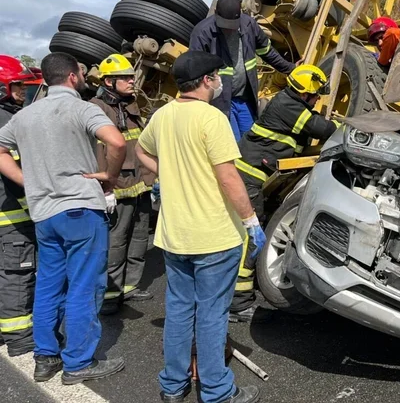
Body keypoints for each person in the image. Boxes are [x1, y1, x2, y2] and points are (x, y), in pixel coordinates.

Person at [135, 50, 263, 403]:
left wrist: (167, 174)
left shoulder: (162, 116)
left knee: (178, 311)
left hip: (175, 236)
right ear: (207, 81)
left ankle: (173, 386)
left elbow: (141, 153)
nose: (221, 82)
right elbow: (228, 177)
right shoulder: (212, 118)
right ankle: (217, 391)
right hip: (214, 236)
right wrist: (250, 219)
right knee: (211, 315)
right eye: (218, 76)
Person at [0, 52, 126, 384]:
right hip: (81, 209)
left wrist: (27, 180)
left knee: (48, 284)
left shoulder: (25, 116)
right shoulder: (82, 108)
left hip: (44, 214)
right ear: (72, 76)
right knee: (85, 285)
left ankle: (45, 357)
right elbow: (115, 142)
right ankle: (79, 362)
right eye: (82, 73)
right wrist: (109, 177)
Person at [232, 64, 338, 323]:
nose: (317, 100)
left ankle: (237, 293)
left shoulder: (290, 103)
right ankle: (237, 302)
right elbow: (321, 128)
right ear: (304, 93)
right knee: (251, 237)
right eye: (315, 95)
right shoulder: (289, 106)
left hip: (252, 175)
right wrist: (342, 126)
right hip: (249, 177)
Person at [90, 54, 157, 315]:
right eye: (126, 78)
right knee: (116, 241)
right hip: (117, 186)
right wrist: (105, 188)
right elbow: (98, 152)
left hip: (139, 184)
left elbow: (140, 144)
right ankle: (109, 292)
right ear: (108, 81)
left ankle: (130, 286)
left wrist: (151, 181)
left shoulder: (130, 105)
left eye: (132, 76)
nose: (132, 81)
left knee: (140, 236)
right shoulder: (97, 108)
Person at [190, 0, 297, 140]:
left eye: (232, 26)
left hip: (244, 98)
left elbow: (267, 52)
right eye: (225, 26)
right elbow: (194, 72)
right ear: (216, 14)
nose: (229, 30)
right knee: (231, 144)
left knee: (249, 141)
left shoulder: (249, 25)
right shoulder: (202, 33)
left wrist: (290, 69)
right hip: (220, 101)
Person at [0, 55, 38, 356]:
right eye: (17, 87)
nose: (23, 92)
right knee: (17, 274)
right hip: (10, 215)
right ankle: (20, 337)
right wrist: (36, 202)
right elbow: (15, 172)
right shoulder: (6, 122)